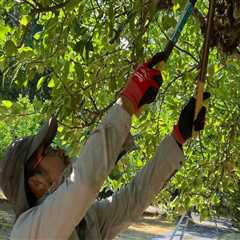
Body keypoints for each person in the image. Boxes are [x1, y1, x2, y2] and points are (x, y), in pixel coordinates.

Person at [0, 58, 210, 240]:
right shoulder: (27, 232)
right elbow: (82, 183)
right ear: (36, 182)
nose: (58, 151)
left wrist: (177, 139)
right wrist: (129, 100)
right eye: (47, 150)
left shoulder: (87, 221)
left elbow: (134, 198)